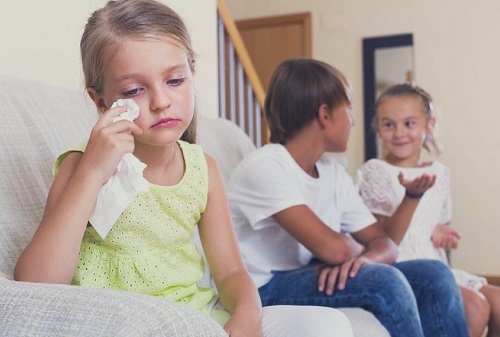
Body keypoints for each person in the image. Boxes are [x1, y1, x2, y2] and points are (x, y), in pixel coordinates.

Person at [13, 1, 355, 336]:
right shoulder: (81, 166)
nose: (161, 102)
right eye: (134, 90)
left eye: (174, 80)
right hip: (126, 323)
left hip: (196, 317)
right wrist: (93, 173)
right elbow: (36, 283)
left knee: (328, 324)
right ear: (102, 102)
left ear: (192, 72)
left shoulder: (202, 170)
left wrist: (248, 311)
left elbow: (231, 271)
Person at [227, 58, 469, 337]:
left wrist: (368, 259)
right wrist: (362, 255)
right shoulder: (265, 167)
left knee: (435, 275)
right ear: (325, 115)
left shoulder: (333, 174)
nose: (354, 120)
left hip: (308, 271)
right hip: (262, 287)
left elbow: (385, 243)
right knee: (384, 281)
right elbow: (335, 250)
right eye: (349, 109)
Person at [357, 83, 500, 337]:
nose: (399, 133)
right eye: (389, 124)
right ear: (377, 127)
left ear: (429, 124)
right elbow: (381, 239)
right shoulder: (375, 171)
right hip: (402, 265)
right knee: (476, 307)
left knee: (498, 301)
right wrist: (411, 197)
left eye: (409, 123)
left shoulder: (440, 173)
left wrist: (439, 232)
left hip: (435, 262)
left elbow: (432, 222)